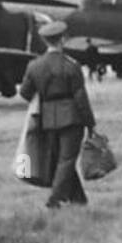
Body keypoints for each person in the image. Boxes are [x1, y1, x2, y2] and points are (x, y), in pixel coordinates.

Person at [19, 20, 96, 209]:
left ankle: (79, 200)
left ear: (46, 41)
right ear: (62, 40)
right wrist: (90, 123)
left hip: (47, 119)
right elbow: (80, 98)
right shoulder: (71, 66)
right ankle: (55, 199)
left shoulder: (34, 66)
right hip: (71, 118)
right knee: (67, 160)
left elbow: (24, 93)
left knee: (60, 160)